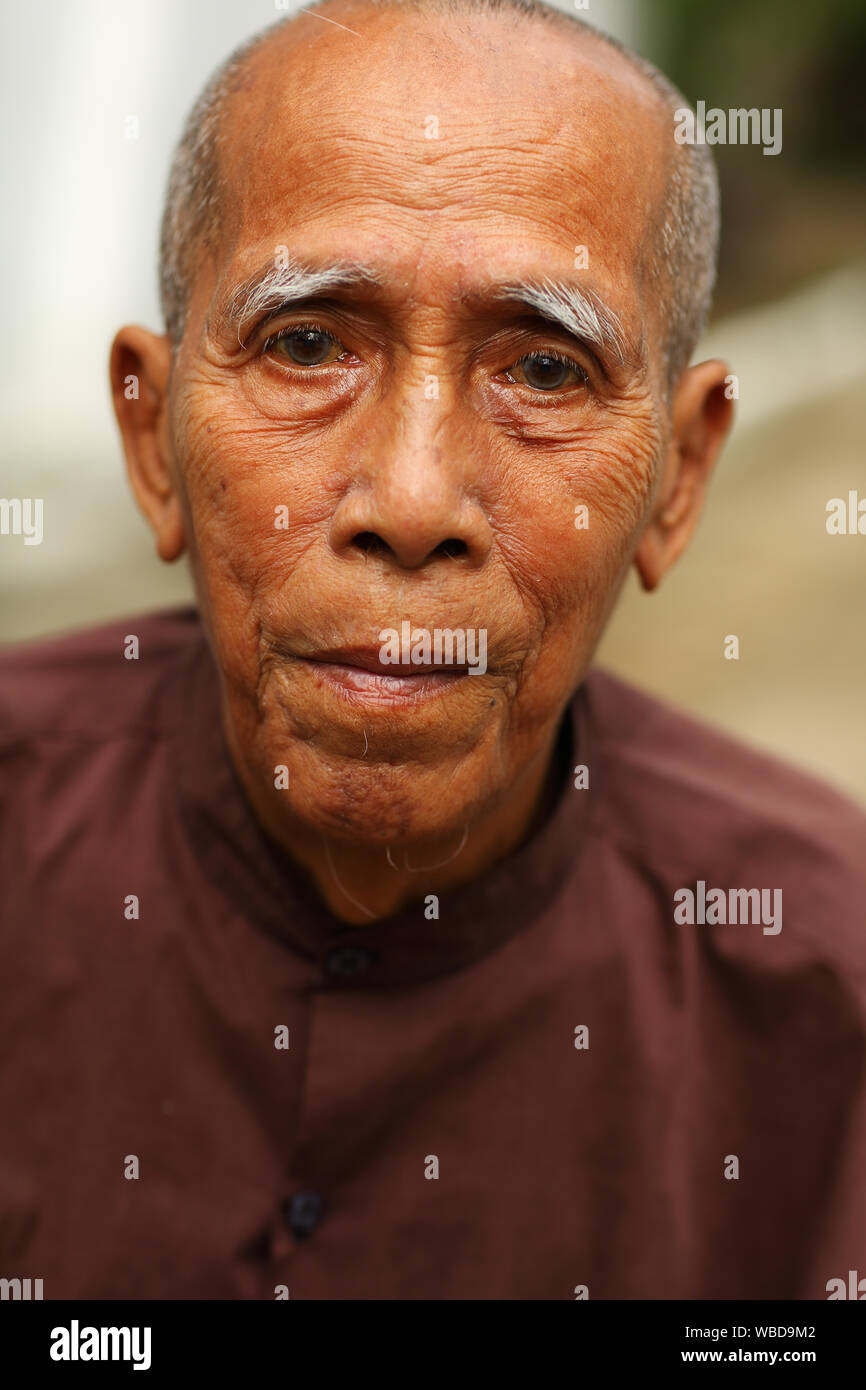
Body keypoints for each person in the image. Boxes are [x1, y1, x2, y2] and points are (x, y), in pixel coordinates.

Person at [1, 0, 864, 1300]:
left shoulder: (825, 986)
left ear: (678, 479)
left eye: (545, 371)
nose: (409, 504)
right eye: (305, 346)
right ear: (150, 439)